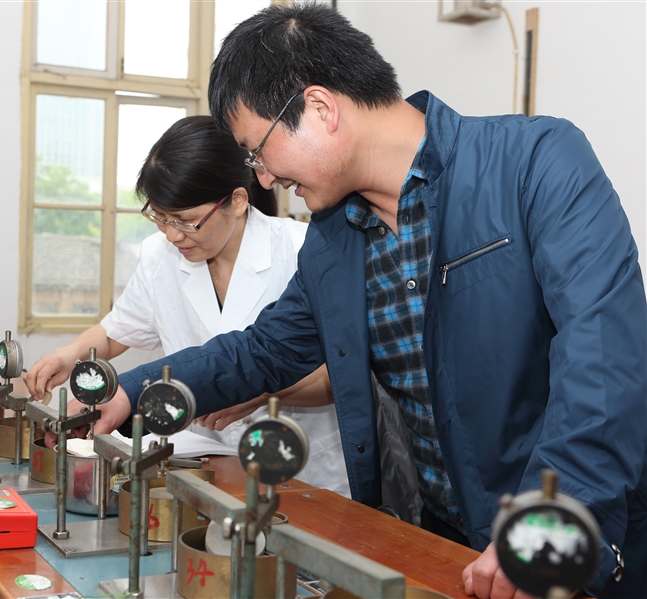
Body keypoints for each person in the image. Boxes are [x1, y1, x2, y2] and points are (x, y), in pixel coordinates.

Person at [83, 5, 647, 599]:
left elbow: (602, 358)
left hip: (562, 547)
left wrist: (546, 529)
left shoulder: (534, 162)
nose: (264, 178)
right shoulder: (334, 242)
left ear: (320, 108)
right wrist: (133, 390)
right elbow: (263, 351)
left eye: (258, 151)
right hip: (440, 547)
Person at [23, 115, 351, 497]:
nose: (172, 235)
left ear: (237, 201)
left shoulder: (302, 249)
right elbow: (116, 332)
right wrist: (68, 356)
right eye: (160, 217)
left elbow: (342, 373)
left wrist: (261, 393)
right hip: (203, 457)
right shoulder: (159, 255)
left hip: (303, 468)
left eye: (187, 221)